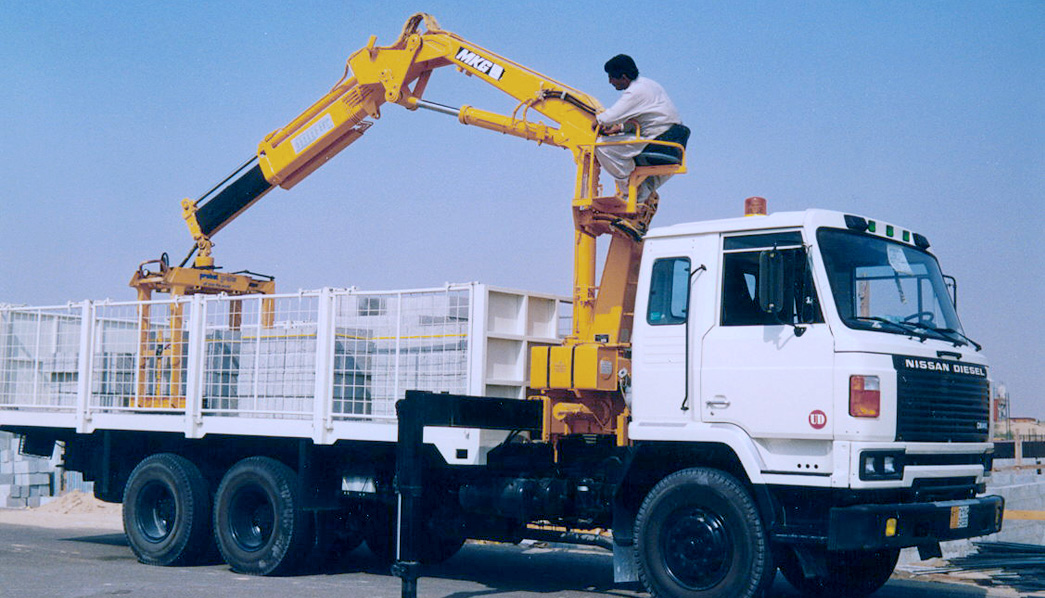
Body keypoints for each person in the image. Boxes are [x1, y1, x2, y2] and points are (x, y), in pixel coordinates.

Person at [594, 54, 683, 202]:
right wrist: (620, 128)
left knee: (602, 146)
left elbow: (608, 118)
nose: (610, 82)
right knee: (647, 182)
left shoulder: (635, 91)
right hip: (673, 142)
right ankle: (640, 198)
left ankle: (628, 187)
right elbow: (648, 117)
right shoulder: (650, 85)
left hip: (657, 140)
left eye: (611, 77)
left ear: (623, 77)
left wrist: (596, 121)